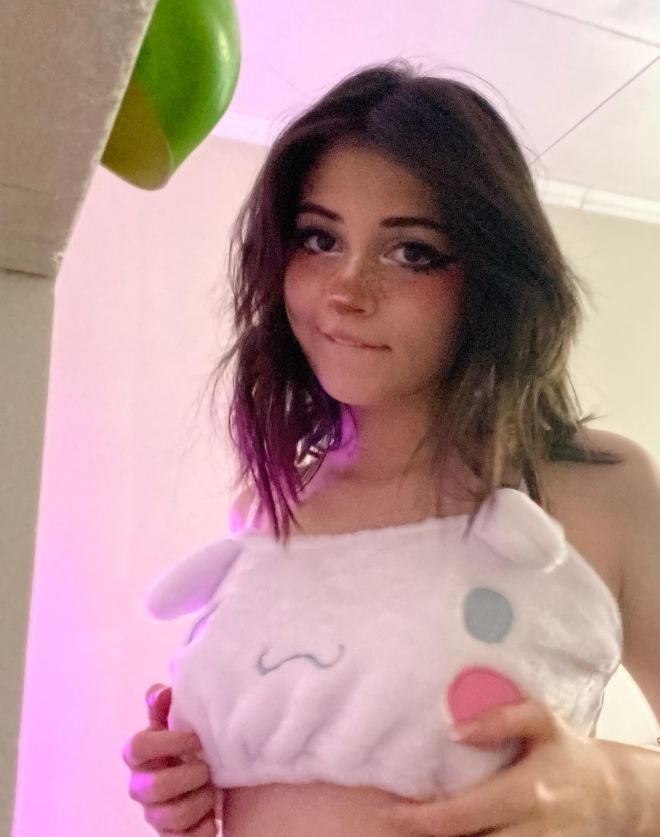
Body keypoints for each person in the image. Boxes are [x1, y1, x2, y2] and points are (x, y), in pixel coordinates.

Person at [122, 61, 660, 837]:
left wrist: (611, 788)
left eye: (411, 251)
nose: (346, 289)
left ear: (491, 277)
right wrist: (184, 790)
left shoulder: (601, 491)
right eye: (320, 238)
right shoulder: (269, 508)